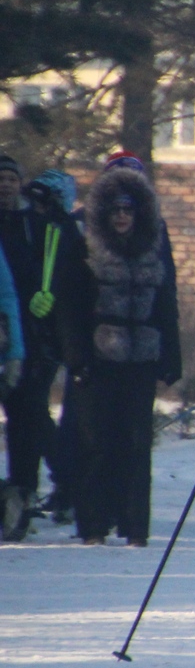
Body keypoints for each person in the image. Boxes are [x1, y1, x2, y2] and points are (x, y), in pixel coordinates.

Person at [58, 164, 180, 545]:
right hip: (97, 359)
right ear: (104, 214)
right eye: (116, 210)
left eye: (129, 210)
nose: (123, 217)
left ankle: (135, 527)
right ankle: (93, 525)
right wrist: (77, 358)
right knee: (96, 443)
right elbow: (70, 309)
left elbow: (166, 303)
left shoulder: (153, 247)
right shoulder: (85, 247)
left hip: (140, 359)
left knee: (137, 443)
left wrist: (170, 356)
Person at [22, 170, 83, 525]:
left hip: (52, 332)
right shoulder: (32, 227)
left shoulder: (62, 230)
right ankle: (56, 482)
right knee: (31, 413)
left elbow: (65, 279)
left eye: (43, 200)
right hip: (33, 329)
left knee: (38, 410)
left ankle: (67, 480)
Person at [0, 154, 55, 539]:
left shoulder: (31, 225)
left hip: (22, 339)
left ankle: (23, 496)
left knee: (27, 423)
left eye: (10, 179)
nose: (5, 185)